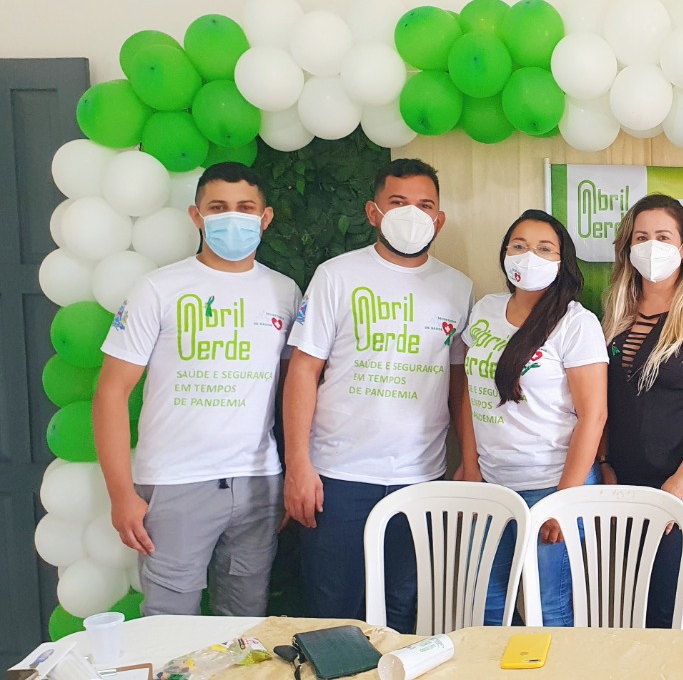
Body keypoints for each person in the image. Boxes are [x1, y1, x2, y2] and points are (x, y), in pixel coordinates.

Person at [94, 162, 301, 616]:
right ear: (196, 216)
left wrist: (289, 473)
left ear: (265, 218)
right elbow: (111, 393)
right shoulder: (157, 289)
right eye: (218, 208)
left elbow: (293, 392)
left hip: (257, 483)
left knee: (244, 622)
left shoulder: (285, 293)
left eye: (245, 208)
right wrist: (121, 495)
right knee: (168, 622)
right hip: (173, 482)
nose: (233, 217)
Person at [283, 158, 473, 633]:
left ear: (440, 218)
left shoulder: (458, 288)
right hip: (337, 477)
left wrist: (468, 460)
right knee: (332, 616)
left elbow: (460, 387)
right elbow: (303, 371)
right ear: (373, 212)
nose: (412, 214)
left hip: (421, 478)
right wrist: (298, 466)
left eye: (424, 204)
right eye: (398, 202)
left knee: (404, 614)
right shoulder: (336, 275)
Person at [454, 209, 608, 627]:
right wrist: (469, 466)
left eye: (544, 248)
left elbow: (593, 416)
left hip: (551, 485)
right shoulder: (486, 309)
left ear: (562, 261)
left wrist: (564, 499)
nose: (529, 256)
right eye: (519, 246)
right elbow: (472, 395)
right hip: (489, 484)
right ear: (505, 254)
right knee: (483, 608)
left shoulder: (577, 323)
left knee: (550, 610)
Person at [599, 194, 683, 632]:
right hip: (622, 480)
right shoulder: (612, 318)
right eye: (642, 236)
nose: (651, 245)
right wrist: (604, 463)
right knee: (632, 601)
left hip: (682, 483)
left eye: (663, 236)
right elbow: (599, 403)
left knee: (669, 604)